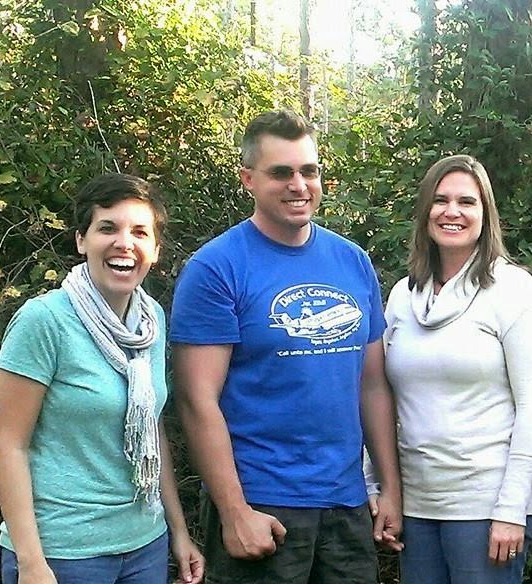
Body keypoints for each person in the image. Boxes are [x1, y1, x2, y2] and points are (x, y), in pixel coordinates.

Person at [170, 110, 402, 584]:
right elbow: (197, 401)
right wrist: (234, 511)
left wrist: (390, 488)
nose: (299, 185)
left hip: (346, 505)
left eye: (309, 171)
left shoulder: (352, 261)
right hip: (262, 504)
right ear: (248, 179)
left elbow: (373, 386)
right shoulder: (216, 268)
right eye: (281, 173)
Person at [0, 173, 204, 584]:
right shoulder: (44, 321)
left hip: (145, 546)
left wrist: (178, 531)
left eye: (139, 232)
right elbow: (8, 445)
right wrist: (32, 564)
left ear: (155, 250)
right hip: (62, 554)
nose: (124, 243)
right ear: (81, 240)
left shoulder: (150, 322)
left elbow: (151, 425)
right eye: (107, 228)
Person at [379, 155, 532, 584]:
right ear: (425, 211)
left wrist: (511, 509)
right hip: (416, 506)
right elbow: (379, 395)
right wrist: (378, 487)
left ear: (485, 214)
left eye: (466, 202)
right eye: (440, 200)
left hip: (486, 508)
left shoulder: (512, 289)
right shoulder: (402, 296)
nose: (451, 211)